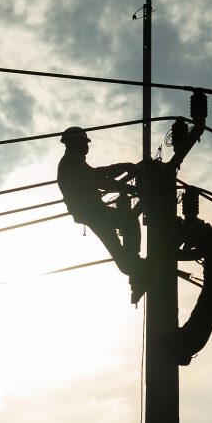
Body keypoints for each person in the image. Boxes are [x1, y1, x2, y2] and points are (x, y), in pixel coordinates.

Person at [56, 126, 145, 302]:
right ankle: (135, 267)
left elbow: (97, 175)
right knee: (128, 220)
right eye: (84, 143)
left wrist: (122, 169)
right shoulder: (70, 163)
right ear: (74, 144)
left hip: (92, 211)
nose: (87, 148)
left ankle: (134, 270)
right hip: (93, 211)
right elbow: (97, 179)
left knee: (117, 238)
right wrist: (129, 185)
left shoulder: (73, 162)